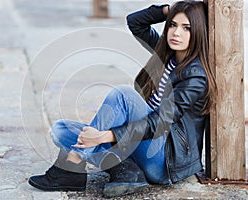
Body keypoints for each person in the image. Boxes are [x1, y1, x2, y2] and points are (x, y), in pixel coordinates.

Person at [28, 0, 216, 198]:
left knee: (124, 96)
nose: (176, 33)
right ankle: (128, 171)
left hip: (163, 161)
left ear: (199, 32)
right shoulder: (166, 53)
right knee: (60, 130)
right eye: (173, 24)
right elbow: (135, 22)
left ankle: (72, 163)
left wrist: (107, 136)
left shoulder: (195, 76)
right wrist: (169, 10)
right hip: (137, 141)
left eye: (186, 28)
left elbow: (160, 121)